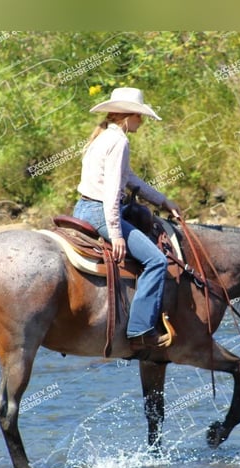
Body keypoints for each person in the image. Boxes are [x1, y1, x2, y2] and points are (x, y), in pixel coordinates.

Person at [73, 87, 182, 352]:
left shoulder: (103, 137)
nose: (141, 122)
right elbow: (112, 192)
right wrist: (116, 233)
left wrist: (163, 201)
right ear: (128, 116)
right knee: (156, 261)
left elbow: (129, 179)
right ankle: (140, 331)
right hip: (101, 212)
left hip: (82, 208)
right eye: (139, 116)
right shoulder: (119, 141)